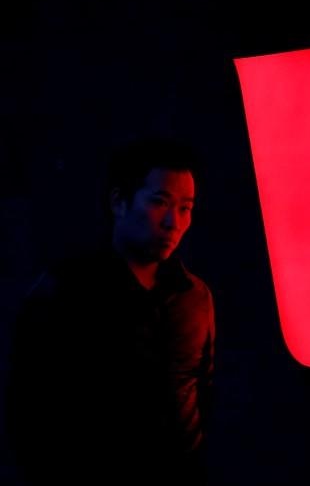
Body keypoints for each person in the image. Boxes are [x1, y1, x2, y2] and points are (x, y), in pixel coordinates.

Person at [6, 137, 215, 485]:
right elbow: (27, 406)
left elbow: (204, 392)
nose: (173, 222)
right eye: (160, 202)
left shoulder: (195, 297)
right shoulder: (66, 290)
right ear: (119, 202)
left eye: (185, 207)